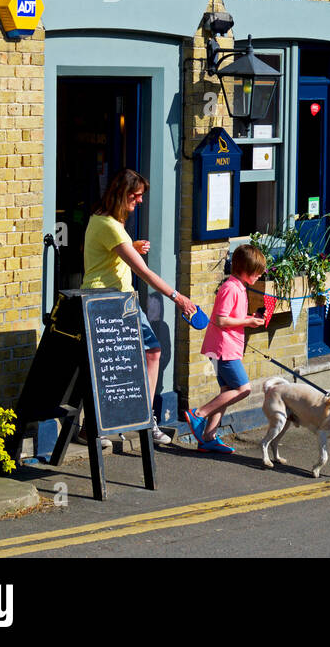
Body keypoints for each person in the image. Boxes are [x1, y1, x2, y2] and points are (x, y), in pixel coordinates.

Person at [82, 167, 196, 445]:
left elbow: (109, 255)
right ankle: (98, 425)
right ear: (121, 194)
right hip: (105, 302)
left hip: (123, 299)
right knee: (108, 365)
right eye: (136, 195)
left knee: (151, 352)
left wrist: (129, 245)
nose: (140, 201)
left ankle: (142, 418)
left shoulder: (108, 222)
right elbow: (143, 272)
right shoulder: (107, 224)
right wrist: (178, 297)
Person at [184, 244, 267, 454]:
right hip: (224, 348)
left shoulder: (238, 286)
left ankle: (208, 437)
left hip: (225, 346)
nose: (260, 275)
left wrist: (249, 319)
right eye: (257, 271)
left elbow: (230, 318)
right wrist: (248, 322)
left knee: (227, 391)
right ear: (245, 269)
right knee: (243, 389)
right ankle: (198, 414)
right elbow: (220, 319)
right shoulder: (231, 288)